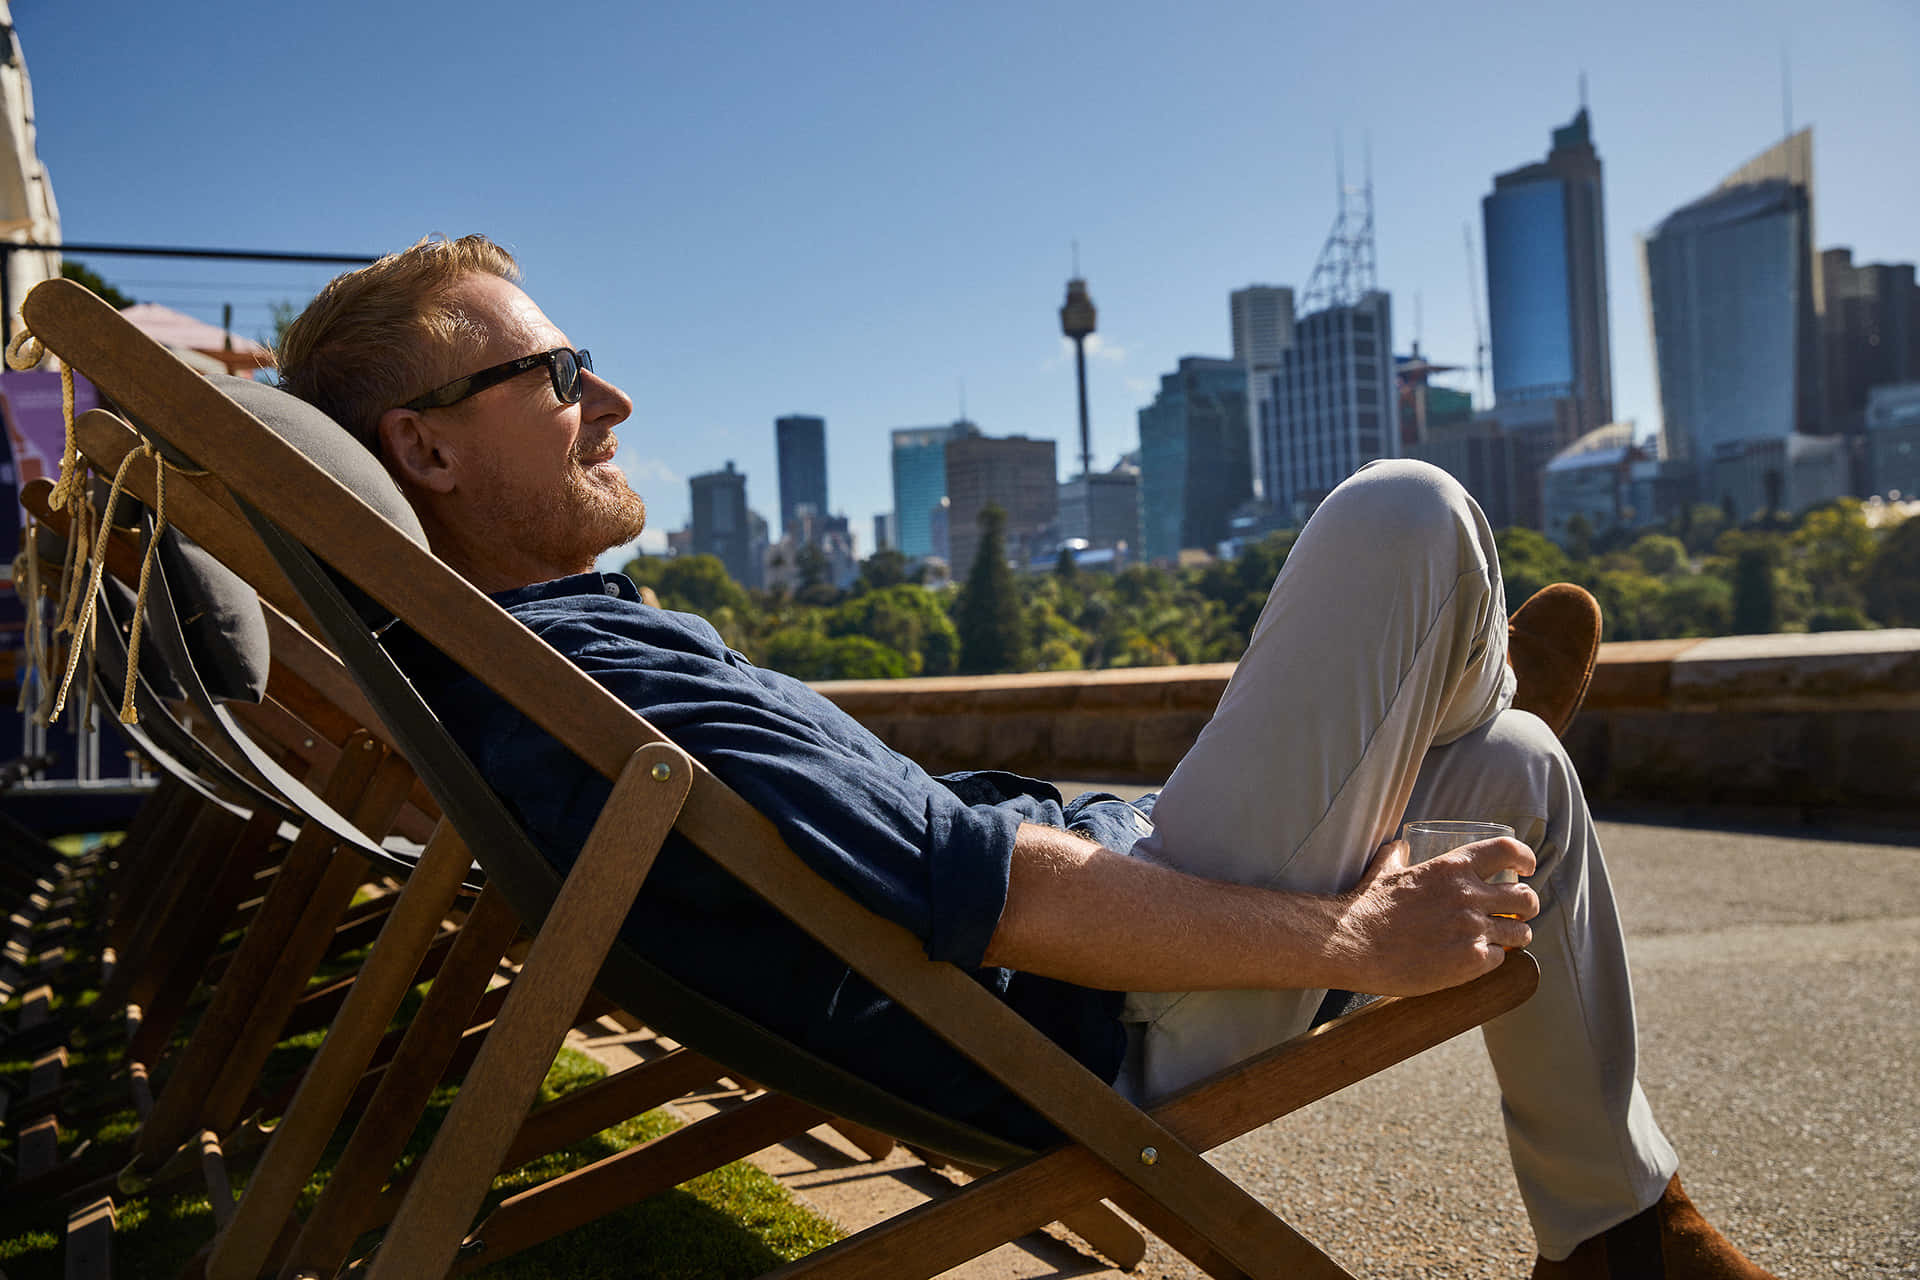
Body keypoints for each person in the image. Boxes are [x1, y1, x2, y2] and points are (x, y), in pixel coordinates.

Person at [276, 234, 1775, 1278]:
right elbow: (990, 895)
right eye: (559, 373)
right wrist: (1354, 938)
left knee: (1515, 771)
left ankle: (1616, 1239)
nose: (609, 402)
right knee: (1407, 513)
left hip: (1105, 920)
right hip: (1107, 1017)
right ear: (426, 451)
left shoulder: (543, 661)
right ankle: (1442, 704)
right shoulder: (590, 683)